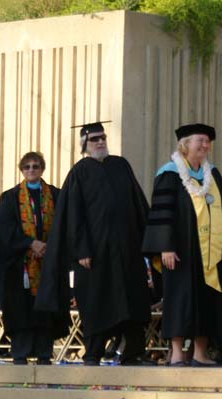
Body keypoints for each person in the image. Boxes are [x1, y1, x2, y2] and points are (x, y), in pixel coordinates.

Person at [35, 122, 151, 366]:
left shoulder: (121, 166)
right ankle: (93, 354)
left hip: (126, 251)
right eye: (95, 139)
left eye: (103, 138)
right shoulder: (80, 172)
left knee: (132, 301)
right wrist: (81, 250)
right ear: (85, 145)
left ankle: (133, 353)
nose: (100, 142)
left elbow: (138, 204)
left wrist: (147, 243)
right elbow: (73, 215)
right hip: (95, 256)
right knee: (98, 303)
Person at [142, 123, 222, 367]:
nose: (205, 145)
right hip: (181, 252)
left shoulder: (213, 174)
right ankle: (177, 354)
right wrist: (165, 246)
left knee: (208, 299)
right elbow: (162, 212)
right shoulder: (169, 173)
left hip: (211, 251)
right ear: (185, 144)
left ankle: (200, 354)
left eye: (208, 142)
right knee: (180, 299)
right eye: (200, 140)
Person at [0, 152, 66, 364]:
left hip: (49, 262)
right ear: (21, 169)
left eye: (35, 166)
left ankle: (44, 352)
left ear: (42, 168)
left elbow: (64, 226)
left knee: (45, 309)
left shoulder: (56, 195)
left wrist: (48, 247)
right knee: (22, 310)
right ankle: (20, 352)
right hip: (20, 265)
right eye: (26, 167)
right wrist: (30, 243)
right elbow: (5, 229)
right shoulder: (9, 198)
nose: (31, 170)